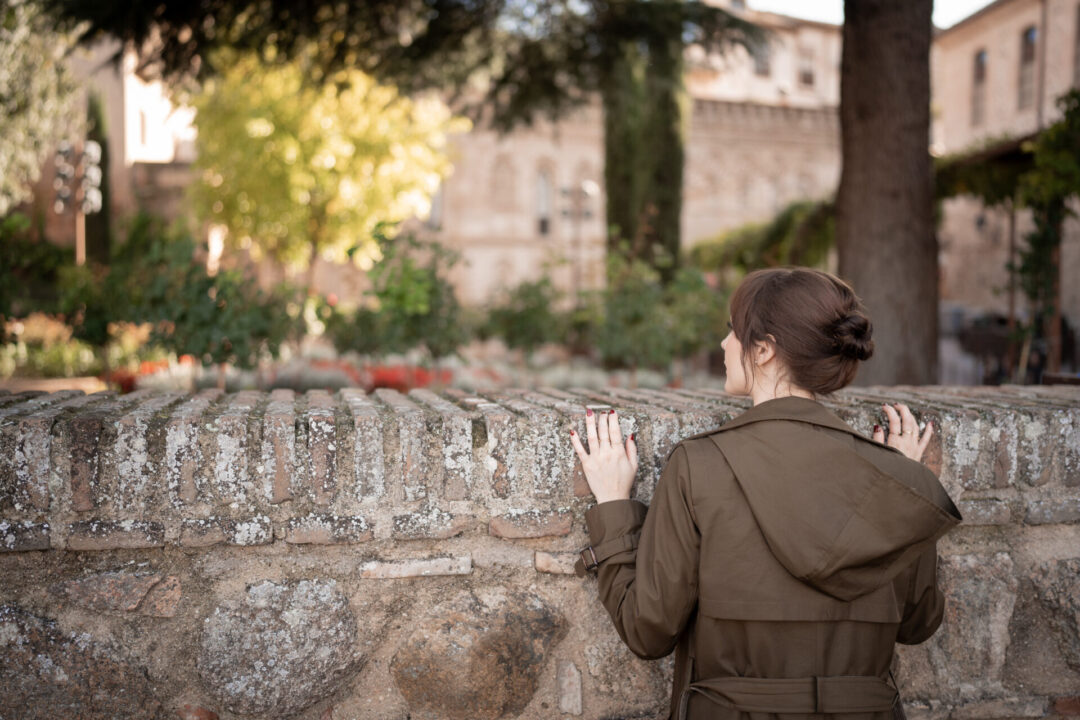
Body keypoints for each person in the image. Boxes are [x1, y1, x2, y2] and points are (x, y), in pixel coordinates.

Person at [569, 267, 962, 720]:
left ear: (764, 349)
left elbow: (648, 631)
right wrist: (901, 482)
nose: (723, 345)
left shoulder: (699, 466)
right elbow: (918, 624)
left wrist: (615, 507)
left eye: (733, 331)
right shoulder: (893, 474)